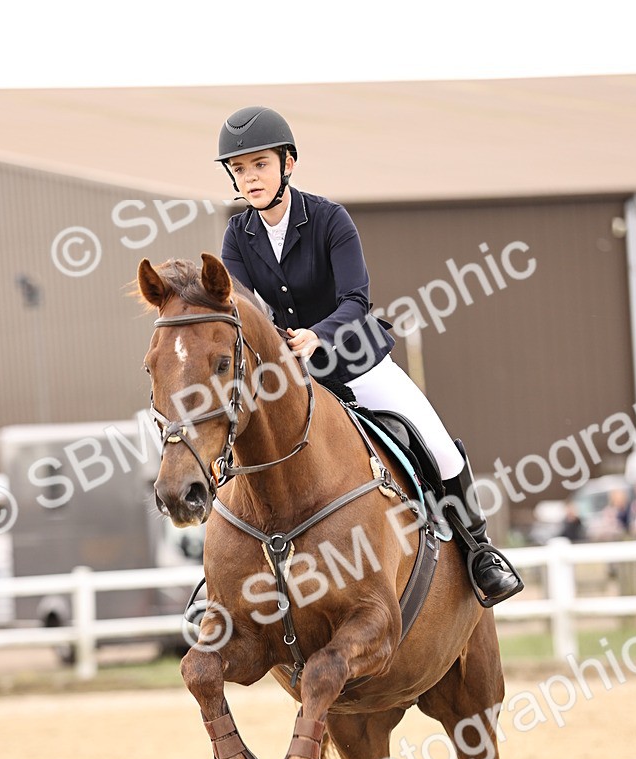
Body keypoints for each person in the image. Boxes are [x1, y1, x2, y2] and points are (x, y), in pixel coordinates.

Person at [214, 106, 523, 606]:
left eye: (260, 165)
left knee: (439, 447)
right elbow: (245, 309)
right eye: (240, 169)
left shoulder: (331, 219)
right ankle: (218, 581)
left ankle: (480, 553)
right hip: (293, 377)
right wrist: (274, 343)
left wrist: (316, 336)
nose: (249, 178)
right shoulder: (237, 235)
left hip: (357, 360)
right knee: (235, 448)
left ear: (287, 163)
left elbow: (356, 299)